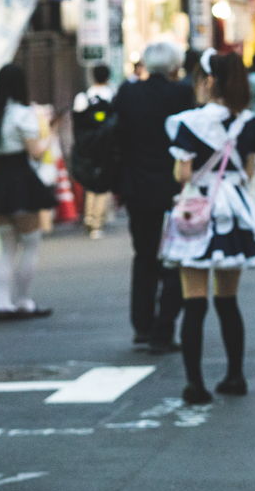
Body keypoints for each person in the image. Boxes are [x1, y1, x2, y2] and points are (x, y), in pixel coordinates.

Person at [163, 52, 255, 404]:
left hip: (198, 208)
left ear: (210, 81)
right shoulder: (251, 122)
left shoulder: (188, 122)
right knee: (228, 301)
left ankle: (195, 385)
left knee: (194, 303)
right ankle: (235, 376)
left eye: (199, 78)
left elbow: (182, 174)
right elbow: (250, 171)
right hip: (235, 212)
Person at [115, 41, 195, 352]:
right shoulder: (182, 94)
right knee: (175, 257)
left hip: (137, 186)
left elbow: (119, 136)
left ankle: (142, 326)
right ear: (175, 67)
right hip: (175, 187)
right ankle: (164, 328)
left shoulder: (128, 93)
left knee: (144, 255)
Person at [0, 64, 57, 321]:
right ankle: (23, 301)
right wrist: (51, 132)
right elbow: (36, 152)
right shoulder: (23, 114)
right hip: (22, 181)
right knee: (31, 245)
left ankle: (2, 303)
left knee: (6, 248)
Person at [72, 65, 116, 240]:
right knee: (103, 183)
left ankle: (89, 215)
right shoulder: (112, 96)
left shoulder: (82, 98)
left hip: (86, 146)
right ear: (107, 77)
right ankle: (97, 221)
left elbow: (77, 122)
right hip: (105, 145)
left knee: (90, 181)